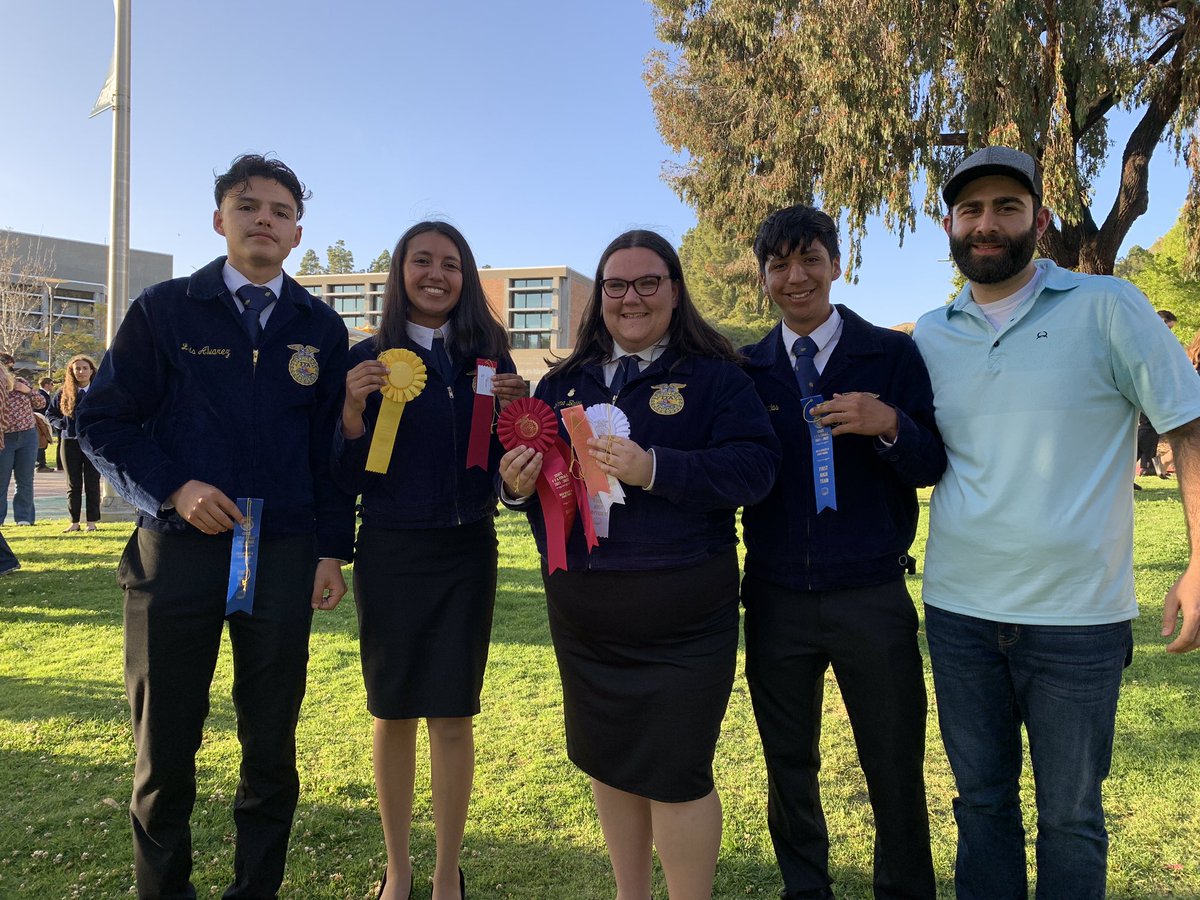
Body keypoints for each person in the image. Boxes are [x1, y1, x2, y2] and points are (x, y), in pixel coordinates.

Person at [912, 145, 1200, 900]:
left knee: (1070, 818)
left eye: (1007, 207)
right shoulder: (932, 334)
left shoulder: (1110, 307)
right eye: (971, 210)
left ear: (1039, 222)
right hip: (959, 613)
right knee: (981, 807)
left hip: (1078, 620)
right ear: (950, 226)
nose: (986, 223)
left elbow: (1188, 426)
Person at [77, 154, 355, 899]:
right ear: (218, 219)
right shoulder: (164, 310)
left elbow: (329, 453)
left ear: (297, 234)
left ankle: (255, 891)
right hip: (176, 556)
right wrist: (174, 488)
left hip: (283, 554)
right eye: (248, 205)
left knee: (271, 747)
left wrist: (332, 549)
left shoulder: (321, 328)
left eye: (281, 211)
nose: (265, 219)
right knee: (164, 749)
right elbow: (100, 420)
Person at [500, 230, 780, 900]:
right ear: (599, 296)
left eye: (648, 282)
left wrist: (655, 467)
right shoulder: (561, 384)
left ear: (675, 291)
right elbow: (545, 497)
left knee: (678, 775)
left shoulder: (716, 376)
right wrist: (516, 487)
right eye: (617, 285)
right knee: (610, 763)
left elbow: (756, 469)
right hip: (586, 621)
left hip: (684, 622)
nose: (632, 298)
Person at [739, 205, 944, 900]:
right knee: (787, 765)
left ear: (837, 263)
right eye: (779, 265)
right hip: (775, 599)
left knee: (894, 763)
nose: (795, 277)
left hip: (871, 594)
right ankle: (806, 891)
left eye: (810, 260)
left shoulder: (890, 355)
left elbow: (932, 463)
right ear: (764, 276)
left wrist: (891, 425)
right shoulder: (748, 370)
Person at [332, 221, 525, 900]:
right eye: (422, 261)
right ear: (401, 273)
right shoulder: (365, 360)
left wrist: (520, 426)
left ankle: (446, 873)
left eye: (450, 263)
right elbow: (346, 477)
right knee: (391, 713)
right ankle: (399, 869)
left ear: (464, 276)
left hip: (467, 551)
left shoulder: (490, 358)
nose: (436, 275)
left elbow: (504, 464)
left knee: (451, 715)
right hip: (390, 550)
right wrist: (351, 412)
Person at [47, 355, 102, 532]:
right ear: (71, 371)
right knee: (73, 483)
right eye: (77, 368)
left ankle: (92, 522)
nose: (81, 371)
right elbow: (50, 413)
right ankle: (74, 522)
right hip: (70, 441)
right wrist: (61, 424)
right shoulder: (63, 392)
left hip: (93, 443)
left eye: (85, 368)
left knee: (92, 482)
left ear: (92, 370)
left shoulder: (100, 391)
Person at [0, 352, 44, 525]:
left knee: (25, 480)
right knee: (1, 481)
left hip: (27, 436)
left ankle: (24, 518)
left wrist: (29, 391)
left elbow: (41, 403)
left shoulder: (22, 383)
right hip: (5, 437)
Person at [1136, 309, 1179, 478]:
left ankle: (1147, 465)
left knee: (1151, 428)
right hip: (1147, 386)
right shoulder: (1147, 338)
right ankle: (1139, 465)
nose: (1169, 332)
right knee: (1148, 427)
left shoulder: (1154, 339)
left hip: (1154, 386)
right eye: (1168, 328)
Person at [35, 377, 53, 471]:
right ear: (46, 385)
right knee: (41, 442)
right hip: (40, 421)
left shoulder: (43, 394)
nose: (52, 386)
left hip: (42, 421)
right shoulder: (41, 395)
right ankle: (40, 465)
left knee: (42, 442)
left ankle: (41, 464)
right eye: (51, 384)